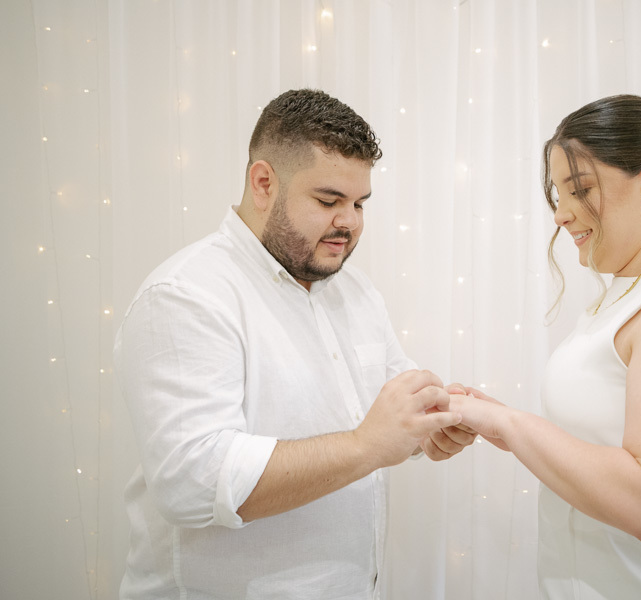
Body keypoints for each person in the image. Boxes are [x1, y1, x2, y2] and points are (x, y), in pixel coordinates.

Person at [113, 88, 475, 600]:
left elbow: (388, 410)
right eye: (329, 201)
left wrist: (429, 425)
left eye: (359, 203)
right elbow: (190, 483)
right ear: (263, 183)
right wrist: (366, 445)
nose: (349, 222)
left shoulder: (356, 291)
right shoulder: (186, 296)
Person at [446, 94, 641, 598]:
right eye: (558, 194)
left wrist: (511, 423)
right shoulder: (630, 292)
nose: (561, 214)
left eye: (580, 190)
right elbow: (604, 448)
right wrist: (503, 426)